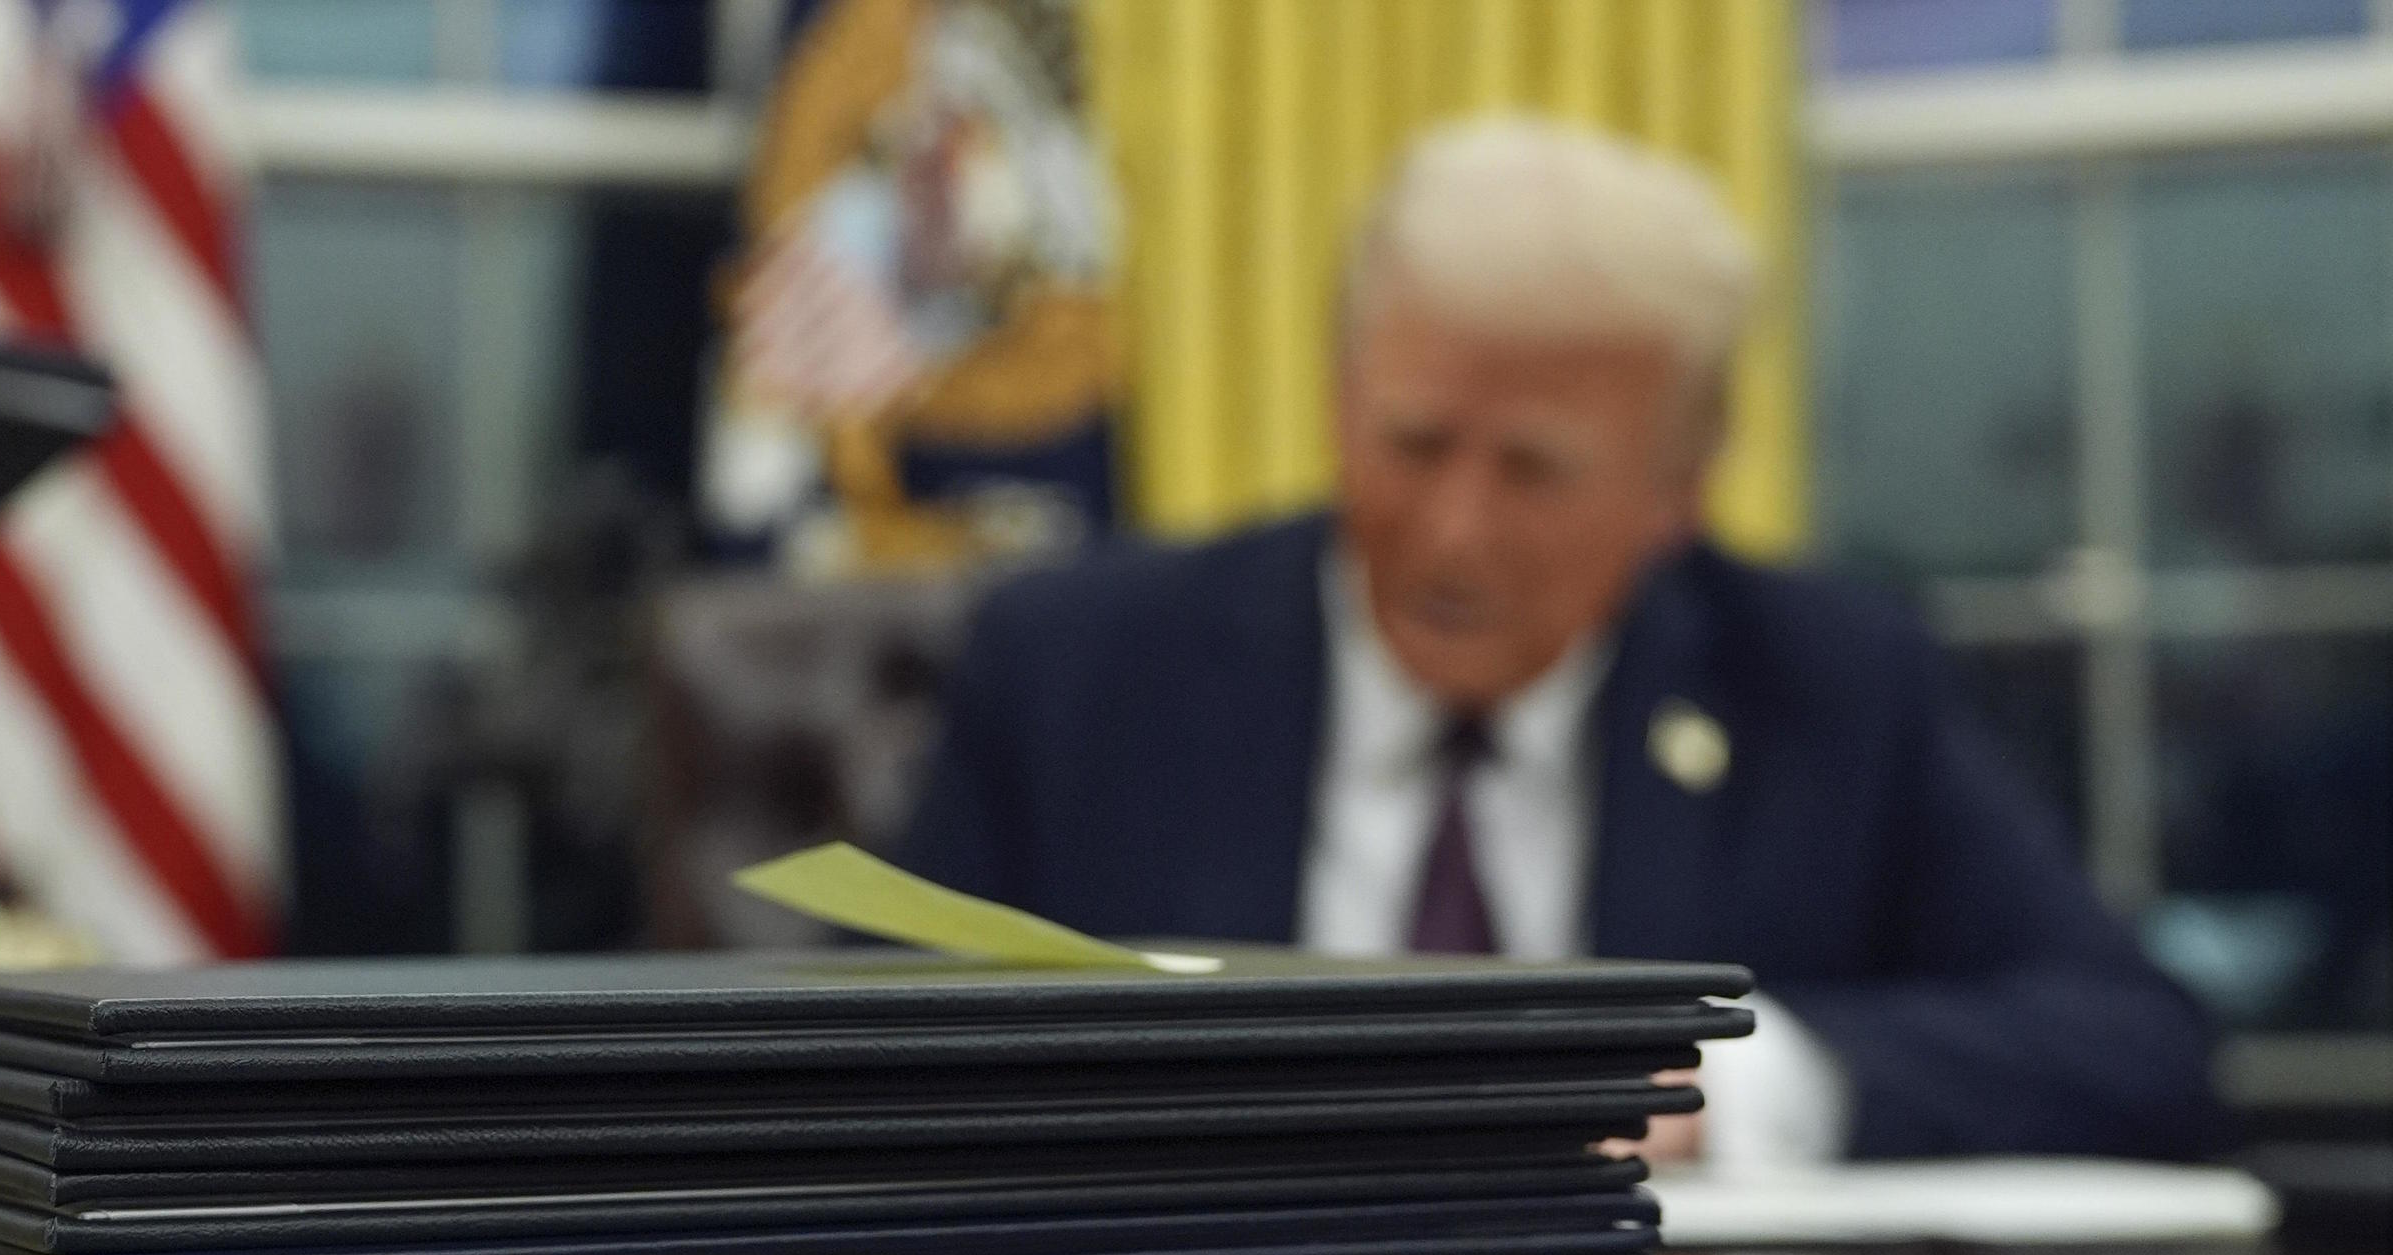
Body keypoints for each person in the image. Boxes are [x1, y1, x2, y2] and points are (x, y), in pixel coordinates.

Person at [895, 115, 2227, 1164]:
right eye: (1413, 443)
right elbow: (864, 1058)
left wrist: (1744, 1081)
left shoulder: (1827, 681)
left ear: (1678, 488)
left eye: (1535, 471)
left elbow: (2136, 1045)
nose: (1456, 532)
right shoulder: (1081, 667)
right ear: (1339, 395)